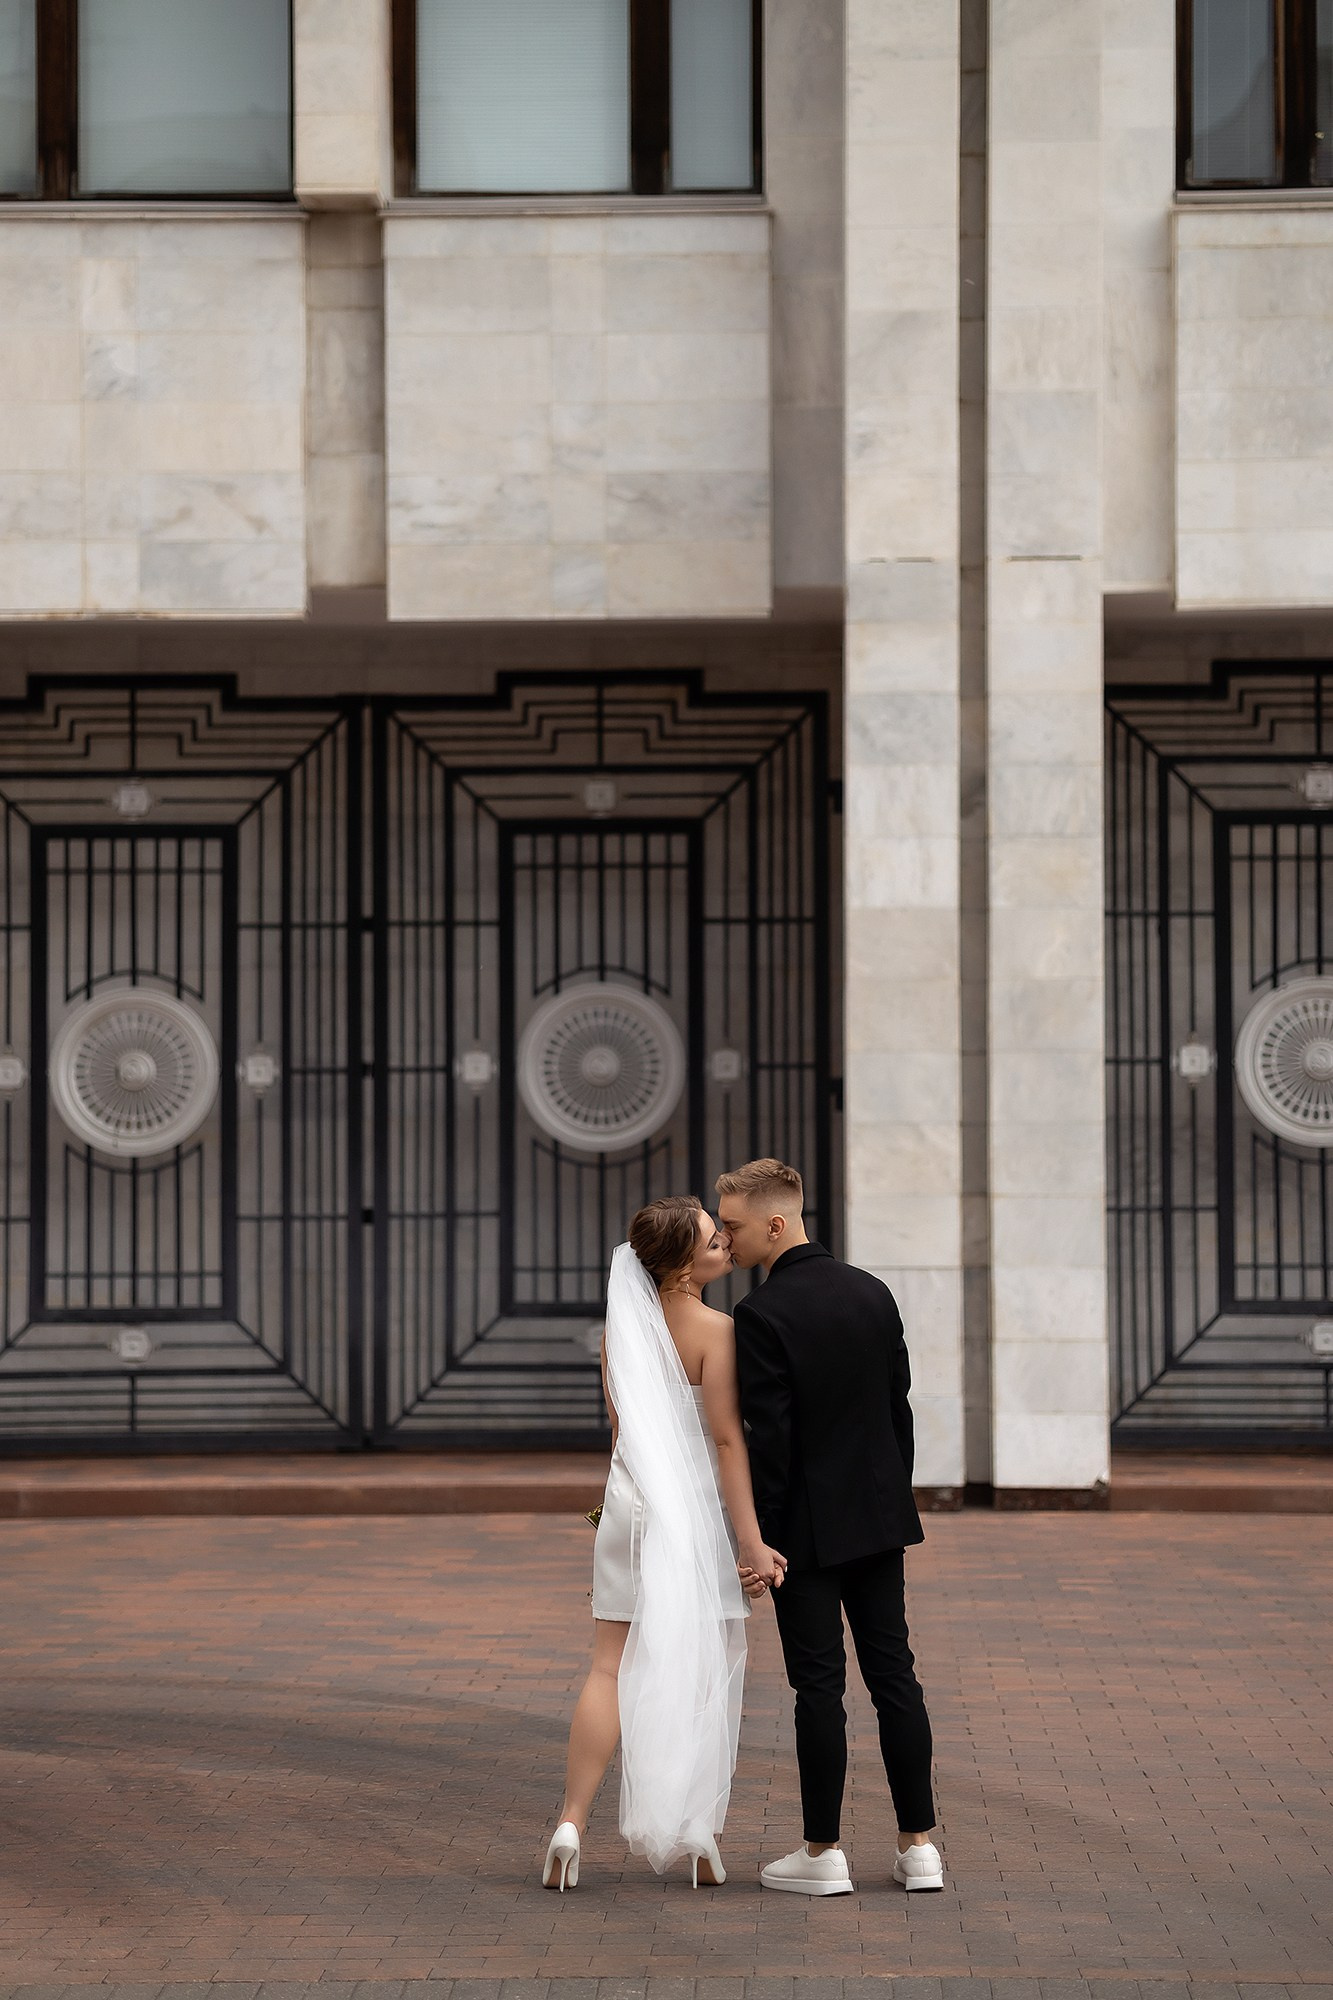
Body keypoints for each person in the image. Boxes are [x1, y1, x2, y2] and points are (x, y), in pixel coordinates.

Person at [541, 1195, 787, 1893]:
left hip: (628, 1504)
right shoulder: (719, 1330)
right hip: (695, 1510)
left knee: (608, 1669)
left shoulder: (619, 1334)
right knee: (705, 1664)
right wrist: (750, 1540)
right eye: (712, 1240)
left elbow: (622, 1435)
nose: (723, 1247)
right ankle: (699, 1834)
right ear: (682, 1262)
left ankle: (570, 1822)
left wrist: (614, 1523)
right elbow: (726, 1440)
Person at [717, 1157, 943, 1897]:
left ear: (775, 1223)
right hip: (878, 1519)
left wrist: (762, 1543)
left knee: (818, 1689)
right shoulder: (871, 1292)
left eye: (734, 1225)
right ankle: (919, 1850)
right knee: (894, 1679)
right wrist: (887, 1495)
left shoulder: (761, 1315)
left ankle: (822, 1853)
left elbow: (770, 1439)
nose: (727, 1238)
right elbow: (896, 1409)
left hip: (804, 1532)